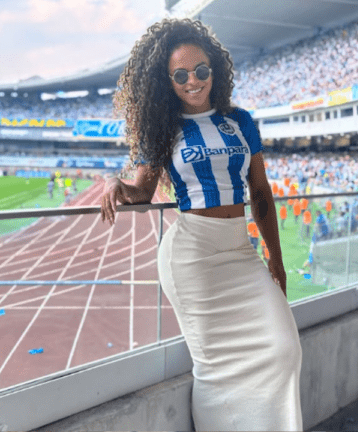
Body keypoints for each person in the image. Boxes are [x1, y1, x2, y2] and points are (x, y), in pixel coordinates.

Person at [99, 18, 302, 431]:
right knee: (214, 367)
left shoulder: (240, 120)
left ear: (215, 70)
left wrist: (276, 258)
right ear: (167, 80)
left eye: (201, 70)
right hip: (192, 256)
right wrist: (113, 182)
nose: (193, 81)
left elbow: (260, 192)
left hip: (240, 251)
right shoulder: (162, 127)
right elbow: (141, 192)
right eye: (180, 75)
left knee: (284, 349)